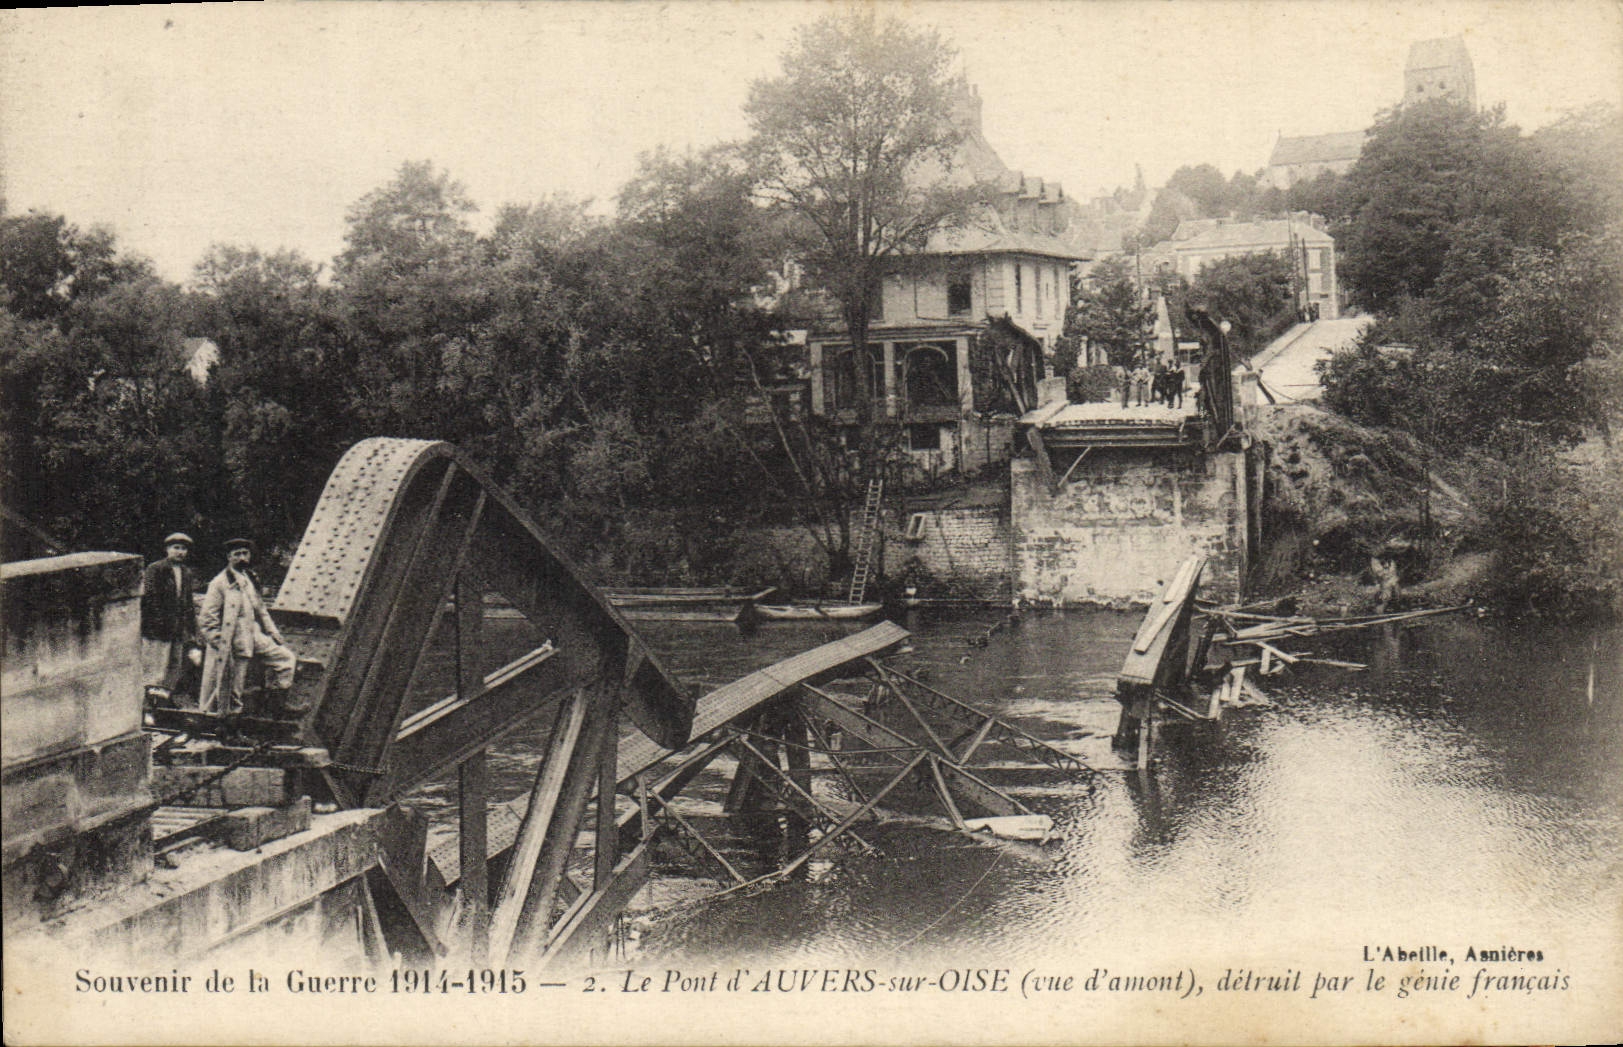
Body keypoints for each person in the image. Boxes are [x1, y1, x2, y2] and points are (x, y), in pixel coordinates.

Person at [198, 538, 298, 722]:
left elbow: (260, 609)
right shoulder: (219, 583)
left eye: (245, 553)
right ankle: (229, 727)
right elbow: (207, 620)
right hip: (234, 640)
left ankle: (277, 706)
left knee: (285, 659)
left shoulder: (249, 577)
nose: (242, 558)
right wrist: (221, 644)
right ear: (229, 557)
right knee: (232, 689)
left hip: (254, 633)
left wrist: (274, 633)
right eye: (237, 554)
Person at [140, 532, 200, 703]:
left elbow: (188, 604)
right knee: (154, 670)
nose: (180, 552)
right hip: (157, 629)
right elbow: (150, 600)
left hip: (177, 630)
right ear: (167, 549)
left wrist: (191, 630)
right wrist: (158, 625)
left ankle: (163, 704)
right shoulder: (156, 569)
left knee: (173, 669)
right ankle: (149, 708)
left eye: (183, 549)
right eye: (176, 548)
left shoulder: (186, 572)